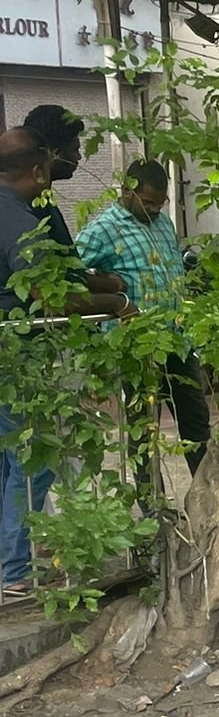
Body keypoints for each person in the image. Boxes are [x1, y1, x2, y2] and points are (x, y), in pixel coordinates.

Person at [0, 128, 130, 596]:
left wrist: (99, 286)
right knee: (34, 459)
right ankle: (17, 573)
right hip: (19, 357)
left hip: (9, 355)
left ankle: (9, 566)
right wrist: (112, 304)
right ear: (37, 171)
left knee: (8, 460)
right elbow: (46, 295)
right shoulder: (18, 219)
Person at [78, 159, 211, 476]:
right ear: (127, 191)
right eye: (148, 203)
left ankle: (209, 499)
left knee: (197, 426)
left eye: (159, 203)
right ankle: (155, 513)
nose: (154, 209)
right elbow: (71, 273)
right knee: (144, 434)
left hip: (177, 342)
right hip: (137, 349)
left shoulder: (163, 223)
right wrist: (109, 287)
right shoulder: (103, 229)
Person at [22, 105, 124, 297]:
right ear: (54, 153)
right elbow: (54, 279)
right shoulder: (27, 208)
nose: (79, 157)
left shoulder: (45, 201)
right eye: (74, 149)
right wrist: (111, 289)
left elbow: (65, 267)